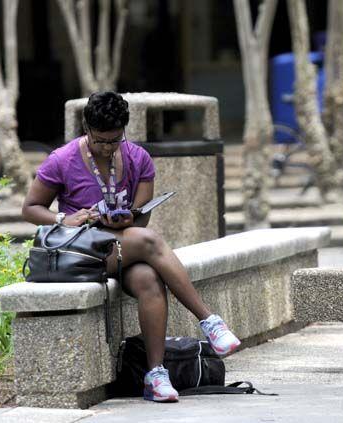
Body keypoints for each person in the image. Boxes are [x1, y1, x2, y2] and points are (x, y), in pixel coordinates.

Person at [22, 92, 241, 402]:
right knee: (151, 242)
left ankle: (155, 375)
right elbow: (30, 208)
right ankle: (209, 321)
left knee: (150, 281)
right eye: (100, 141)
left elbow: (141, 219)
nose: (108, 148)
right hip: (81, 252)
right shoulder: (62, 159)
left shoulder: (139, 158)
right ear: (87, 129)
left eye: (114, 140)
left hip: (119, 248)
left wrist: (128, 217)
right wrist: (65, 218)